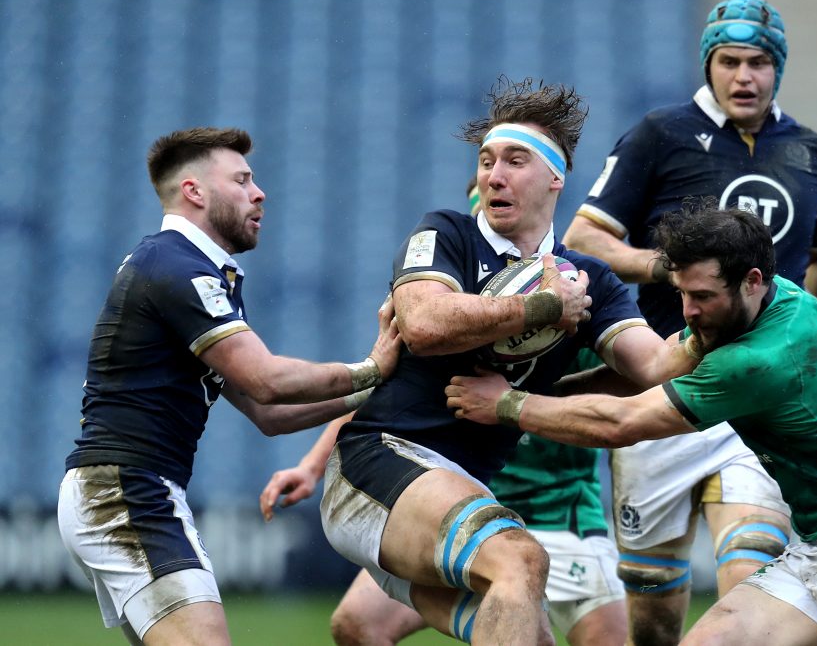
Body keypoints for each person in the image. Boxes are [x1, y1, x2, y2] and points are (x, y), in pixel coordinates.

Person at [448, 207, 817, 646]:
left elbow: (623, 423)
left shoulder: (759, 359)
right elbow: (660, 365)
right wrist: (547, 389)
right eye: (682, 294)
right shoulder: (774, 301)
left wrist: (508, 404)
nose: (688, 312)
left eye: (702, 296)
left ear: (752, 279)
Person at [315, 77, 688, 645]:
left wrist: (729, 308)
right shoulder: (446, 233)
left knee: (526, 630)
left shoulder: (592, 280)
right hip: (379, 461)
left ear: (556, 178)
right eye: (488, 161)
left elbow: (657, 368)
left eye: (516, 160)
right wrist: (541, 306)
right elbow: (423, 322)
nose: (495, 174)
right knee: (519, 559)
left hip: (461, 484)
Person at [561, 0, 817, 643]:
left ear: (777, 68)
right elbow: (585, 238)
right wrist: (670, 270)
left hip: (755, 394)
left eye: (758, 62)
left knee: (752, 566)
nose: (743, 76)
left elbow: (809, 266)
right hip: (664, 381)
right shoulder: (661, 134)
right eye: (729, 60)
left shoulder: (813, 153)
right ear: (709, 64)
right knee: (651, 615)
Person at [56, 127, 402, 646]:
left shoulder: (190, 270)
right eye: (241, 180)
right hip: (125, 490)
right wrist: (373, 368)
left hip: (124, 487)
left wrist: (371, 392)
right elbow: (266, 381)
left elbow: (271, 415)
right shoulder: (178, 267)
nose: (258, 193)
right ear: (195, 191)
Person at [258, 186, 626, 646]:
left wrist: (511, 404)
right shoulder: (450, 306)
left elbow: (623, 400)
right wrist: (312, 466)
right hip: (444, 501)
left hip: (558, 512)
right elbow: (384, 392)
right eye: (480, 213)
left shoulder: (573, 299)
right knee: (357, 622)